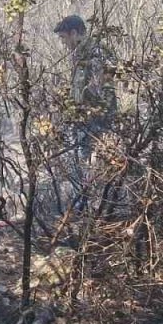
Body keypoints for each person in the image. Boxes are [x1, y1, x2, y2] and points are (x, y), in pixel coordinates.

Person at [54, 15, 117, 212]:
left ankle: (94, 210)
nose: (63, 44)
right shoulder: (80, 54)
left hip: (95, 123)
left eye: (64, 38)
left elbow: (101, 92)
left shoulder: (95, 53)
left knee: (94, 166)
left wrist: (93, 120)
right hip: (83, 122)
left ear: (74, 33)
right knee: (83, 166)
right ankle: (85, 207)